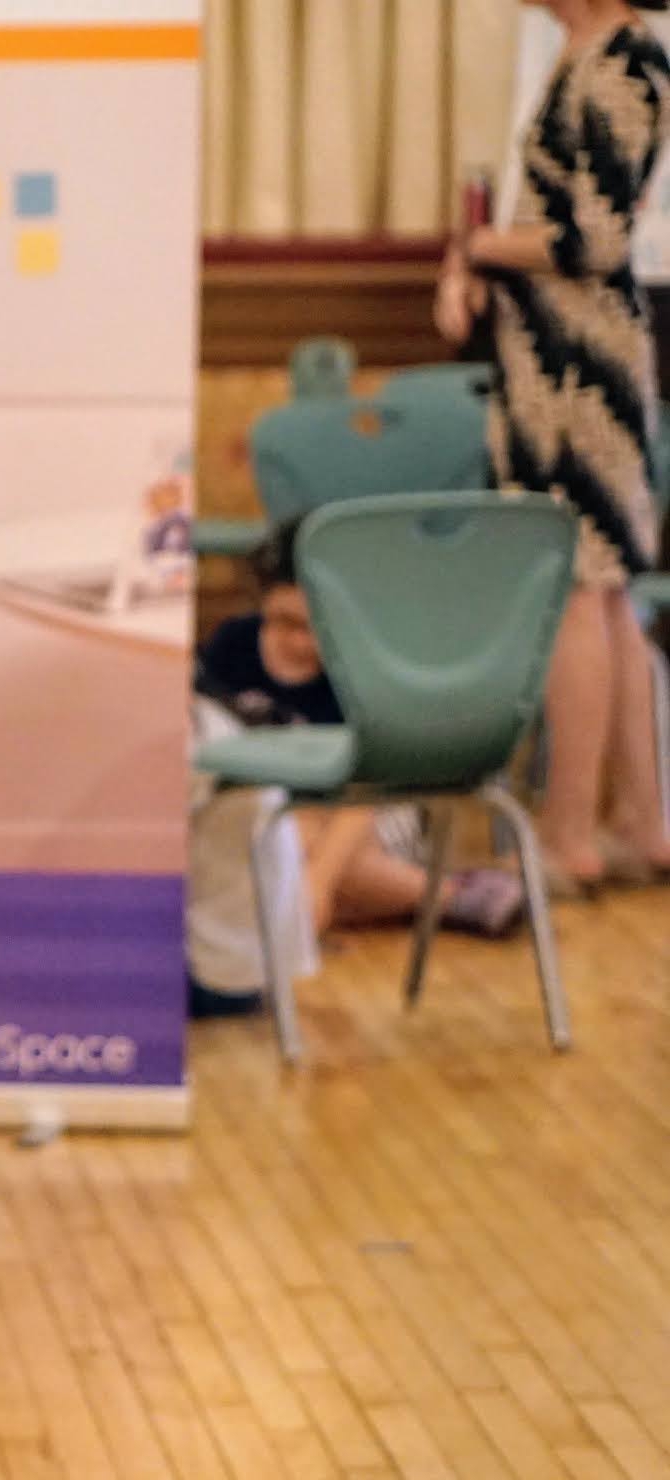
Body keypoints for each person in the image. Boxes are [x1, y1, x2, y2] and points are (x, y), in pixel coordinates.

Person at [439, 0, 670, 891]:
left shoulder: (619, 63)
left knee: (578, 587)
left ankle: (571, 832)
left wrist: (479, 245)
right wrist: (473, 262)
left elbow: (596, 239)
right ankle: (639, 823)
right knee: (603, 597)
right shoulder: (585, 53)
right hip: (555, 359)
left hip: (580, 362)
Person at [186, 528, 524, 1017]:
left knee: (285, 845)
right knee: (272, 840)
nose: (300, 642)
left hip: (369, 806)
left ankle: (442, 895)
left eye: (316, 627)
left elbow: (366, 792)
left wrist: (320, 882)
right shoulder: (231, 645)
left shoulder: (360, 669)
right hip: (284, 809)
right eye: (283, 622)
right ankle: (444, 894)